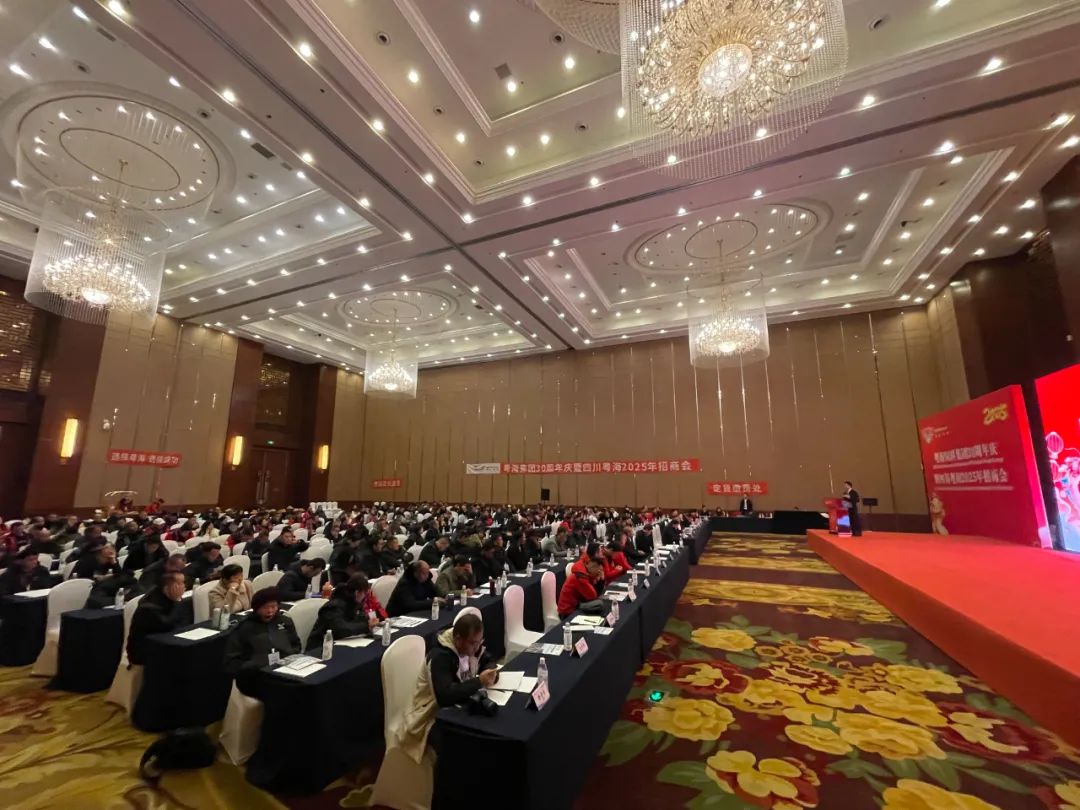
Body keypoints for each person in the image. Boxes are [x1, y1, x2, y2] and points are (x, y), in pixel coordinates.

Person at [397, 613, 498, 762]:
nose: (477, 647)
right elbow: (445, 696)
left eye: (479, 642)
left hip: (458, 705)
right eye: (473, 643)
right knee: (468, 743)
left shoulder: (471, 645)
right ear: (458, 639)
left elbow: (488, 659)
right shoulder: (439, 656)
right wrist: (479, 681)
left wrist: (490, 671)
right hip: (429, 716)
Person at [224, 587, 302, 697]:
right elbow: (231, 663)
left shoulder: (285, 622)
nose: (270, 611)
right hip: (256, 678)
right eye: (265, 607)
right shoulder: (244, 628)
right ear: (256, 608)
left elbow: (296, 645)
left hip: (285, 670)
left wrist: (289, 657)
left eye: (273, 606)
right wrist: (253, 665)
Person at [127, 571, 188, 666]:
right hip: (145, 652)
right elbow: (166, 625)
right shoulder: (149, 607)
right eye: (180, 584)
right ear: (167, 588)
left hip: (162, 644)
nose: (184, 587)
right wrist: (178, 600)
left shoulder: (167, 597)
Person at [308, 574, 381, 648]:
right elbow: (340, 629)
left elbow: (359, 620)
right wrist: (366, 626)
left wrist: (369, 621)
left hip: (340, 642)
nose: (365, 596)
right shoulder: (333, 607)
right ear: (357, 592)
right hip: (320, 647)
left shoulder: (353, 603)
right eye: (364, 593)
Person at [558, 544, 607, 617]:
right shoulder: (580, 575)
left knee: (600, 604)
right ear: (588, 563)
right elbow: (592, 597)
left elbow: (595, 594)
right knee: (599, 604)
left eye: (598, 568)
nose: (597, 570)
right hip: (567, 611)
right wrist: (598, 580)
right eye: (595, 567)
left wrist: (601, 580)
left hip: (577, 604)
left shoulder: (588, 572)